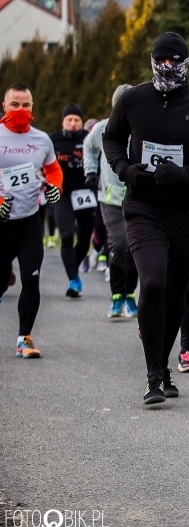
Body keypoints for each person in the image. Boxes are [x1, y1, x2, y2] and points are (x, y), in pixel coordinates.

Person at [103, 32, 189, 405]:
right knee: (153, 282)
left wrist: (188, 174)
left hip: (187, 213)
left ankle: (163, 367)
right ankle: (151, 376)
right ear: (152, 61)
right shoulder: (133, 99)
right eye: (161, 61)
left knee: (178, 292)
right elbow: (110, 139)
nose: (167, 68)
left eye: (175, 61)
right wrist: (125, 170)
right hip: (144, 208)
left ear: (186, 63)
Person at [0, 84, 63, 357]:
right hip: (0, 223)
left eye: (26, 105)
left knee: (31, 279)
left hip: (28, 222)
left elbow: (54, 170)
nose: (21, 110)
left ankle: (24, 338)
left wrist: (56, 188)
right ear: (5, 106)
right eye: (15, 104)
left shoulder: (41, 140)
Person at [83, 83, 139, 320]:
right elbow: (88, 147)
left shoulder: (142, 128)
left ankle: (130, 297)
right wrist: (91, 171)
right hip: (110, 199)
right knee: (119, 244)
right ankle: (117, 296)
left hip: (138, 198)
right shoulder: (102, 128)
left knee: (136, 248)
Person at [50, 102, 93, 298]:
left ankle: (74, 268)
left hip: (85, 194)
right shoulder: (53, 140)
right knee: (66, 235)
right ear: (63, 122)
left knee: (85, 238)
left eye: (77, 120)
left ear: (82, 122)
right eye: (69, 120)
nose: (73, 123)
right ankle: (73, 279)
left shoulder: (89, 139)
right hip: (63, 194)